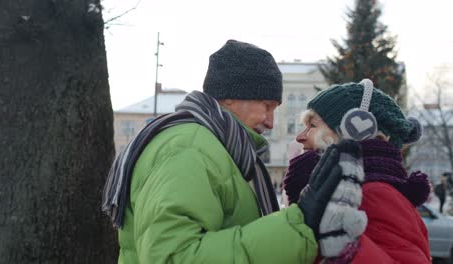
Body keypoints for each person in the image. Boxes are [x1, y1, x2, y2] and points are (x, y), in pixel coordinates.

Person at [102, 39, 354, 263]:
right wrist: (296, 224)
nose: (270, 121)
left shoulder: (220, 148)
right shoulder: (189, 147)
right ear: (231, 97)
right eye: (266, 106)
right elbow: (173, 256)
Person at [283, 80, 431, 263]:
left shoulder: (374, 194)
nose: (300, 137)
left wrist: (346, 251)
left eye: (312, 126)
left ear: (357, 132)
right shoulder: (348, 192)